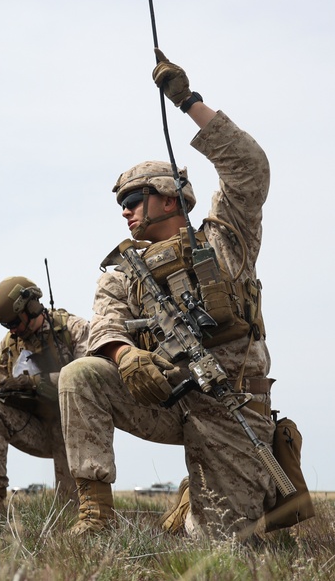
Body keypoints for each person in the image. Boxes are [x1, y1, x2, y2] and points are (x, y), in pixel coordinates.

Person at [60, 49, 282, 539]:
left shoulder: (226, 237)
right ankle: (95, 514)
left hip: (231, 404)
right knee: (82, 374)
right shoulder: (122, 271)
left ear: (168, 198)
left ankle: (197, 497)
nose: (126, 213)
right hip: (163, 396)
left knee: (228, 544)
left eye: (133, 201)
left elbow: (250, 169)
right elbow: (106, 324)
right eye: (122, 205)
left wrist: (188, 102)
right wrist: (124, 356)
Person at [0, 276, 89, 513]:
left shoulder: (73, 329)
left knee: (65, 423)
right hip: (35, 427)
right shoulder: (10, 344)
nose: (12, 330)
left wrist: (36, 383)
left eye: (14, 323)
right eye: (6, 326)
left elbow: (88, 379)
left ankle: (73, 512)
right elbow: (2, 387)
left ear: (31, 307)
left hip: (75, 430)